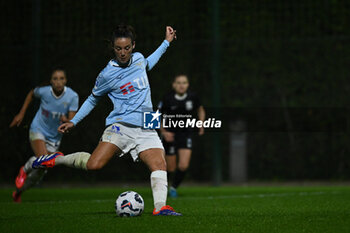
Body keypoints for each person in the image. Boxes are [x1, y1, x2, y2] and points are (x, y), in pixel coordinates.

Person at [32, 24, 181, 216]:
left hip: (147, 123)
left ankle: (161, 208)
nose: (123, 52)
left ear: (133, 45)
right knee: (94, 165)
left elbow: (148, 63)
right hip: (121, 125)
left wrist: (166, 43)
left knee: (159, 165)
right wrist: (74, 121)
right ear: (113, 48)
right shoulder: (107, 74)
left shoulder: (138, 59)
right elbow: (93, 99)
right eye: (118, 48)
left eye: (127, 48)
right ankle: (57, 159)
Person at [10, 67, 79, 202]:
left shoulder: (72, 96)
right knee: (43, 158)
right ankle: (23, 170)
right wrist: (22, 113)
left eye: (61, 78)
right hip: (38, 129)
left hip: (54, 137)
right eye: (55, 78)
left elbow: (71, 120)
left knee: (41, 170)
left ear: (66, 80)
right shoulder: (44, 92)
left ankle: (18, 192)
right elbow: (31, 93)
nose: (58, 82)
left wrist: (66, 121)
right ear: (51, 81)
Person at [158, 74, 205, 197]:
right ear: (174, 85)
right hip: (170, 134)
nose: (181, 85)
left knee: (183, 165)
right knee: (171, 168)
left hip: (186, 133)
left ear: (187, 85)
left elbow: (200, 109)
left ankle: (173, 188)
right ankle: (162, 188)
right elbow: (157, 116)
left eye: (184, 82)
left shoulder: (192, 97)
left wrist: (201, 123)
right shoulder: (167, 98)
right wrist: (164, 131)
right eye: (178, 82)